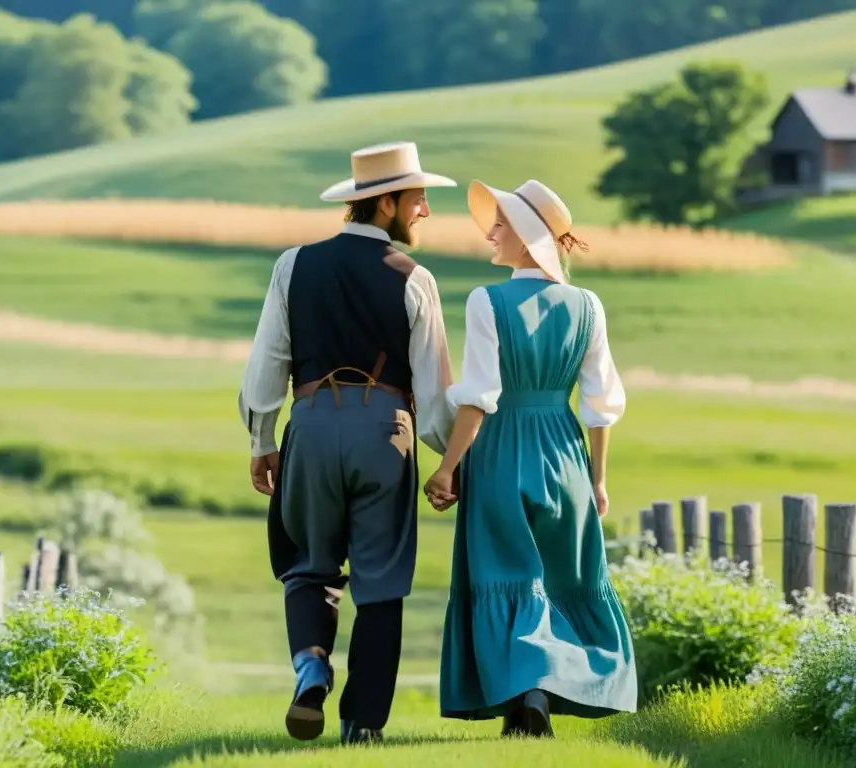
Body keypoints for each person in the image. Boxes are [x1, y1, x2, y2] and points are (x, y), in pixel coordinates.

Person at [237, 141, 458, 745]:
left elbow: (266, 365)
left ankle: (310, 668)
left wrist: (262, 440)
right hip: (386, 434)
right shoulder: (416, 279)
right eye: (418, 200)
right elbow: (436, 393)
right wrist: (451, 461)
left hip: (309, 425)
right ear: (385, 203)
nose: (425, 212)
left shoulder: (293, 265)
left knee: (310, 567)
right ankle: (362, 723)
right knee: (381, 579)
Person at [424, 178, 638, 738]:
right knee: (558, 579)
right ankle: (534, 700)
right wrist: (598, 479)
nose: (490, 232)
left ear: (525, 237)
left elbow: (480, 398)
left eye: (501, 223)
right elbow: (599, 404)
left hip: (500, 452)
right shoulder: (588, 306)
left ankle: (529, 695)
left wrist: (448, 466)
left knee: (507, 575)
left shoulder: (486, 301)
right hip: (564, 453)